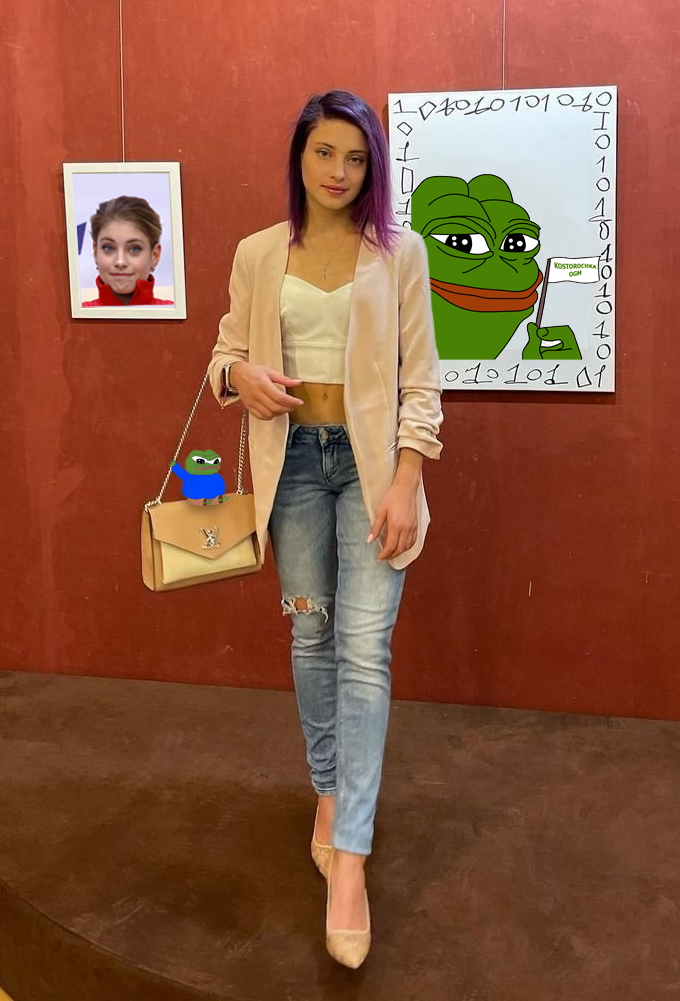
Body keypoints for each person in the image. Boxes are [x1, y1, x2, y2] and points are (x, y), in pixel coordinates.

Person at [209, 90, 443, 968]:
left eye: (355, 157)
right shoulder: (259, 253)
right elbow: (223, 355)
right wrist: (240, 378)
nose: (338, 171)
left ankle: (350, 857)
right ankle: (329, 791)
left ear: (372, 166)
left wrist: (408, 479)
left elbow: (422, 381)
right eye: (323, 153)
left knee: (364, 648)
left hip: (373, 471)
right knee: (311, 634)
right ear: (299, 157)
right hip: (294, 471)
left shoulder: (401, 253)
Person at [81, 195, 174, 306]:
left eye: (134, 249)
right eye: (108, 248)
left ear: (154, 255)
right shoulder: (75, 315)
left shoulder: (180, 314)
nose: (120, 262)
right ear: (96, 253)